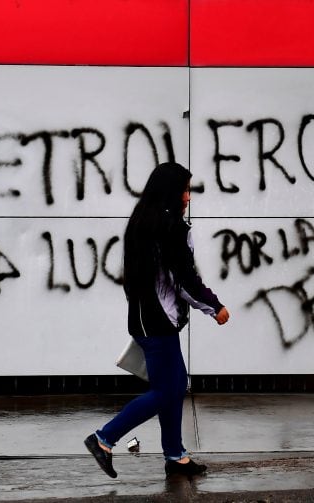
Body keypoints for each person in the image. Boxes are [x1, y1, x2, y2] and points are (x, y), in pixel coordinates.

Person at [84, 161, 229, 478]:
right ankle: (104, 438)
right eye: (185, 191)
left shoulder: (140, 224)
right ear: (171, 192)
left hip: (146, 320)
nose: (188, 198)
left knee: (176, 385)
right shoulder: (170, 229)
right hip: (159, 323)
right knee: (166, 391)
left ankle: (175, 456)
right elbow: (185, 281)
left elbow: (137, 280)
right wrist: (214, 307)